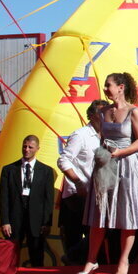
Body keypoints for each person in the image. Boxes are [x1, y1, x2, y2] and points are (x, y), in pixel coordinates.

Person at [77, 72, 138, 274]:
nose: (105, 89)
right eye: (105, 86)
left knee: (127, 214)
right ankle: (91, 260)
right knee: (99, 213)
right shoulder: (103, 111)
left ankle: (123, 261)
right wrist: (104, 154)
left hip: (129, 165)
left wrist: (120, 152)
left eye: (108, 85)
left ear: (121, 87)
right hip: (107, 165)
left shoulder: (134, 112)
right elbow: (103, 137)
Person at [57, 100, 109, 265]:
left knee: (99, 232)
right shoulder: (81, 135)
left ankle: (76, 258)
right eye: (103, 113)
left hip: (98, 193)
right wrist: (78, 182)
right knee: (91, 232)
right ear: (93, 115)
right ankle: (72, 257)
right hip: (79, 194)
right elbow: (63, 160)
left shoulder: (107, 137)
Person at [0, 135, 56, 268]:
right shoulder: (9, 170)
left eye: (30, 147)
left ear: (37, 149)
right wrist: (5, 221)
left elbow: (48, 199)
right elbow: (4, 197)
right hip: (14, 220)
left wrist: (47, 223)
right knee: (11, 255)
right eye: (24, 146)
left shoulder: (46, 171)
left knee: (36, 255)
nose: (27, 150)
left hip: (36, 220)